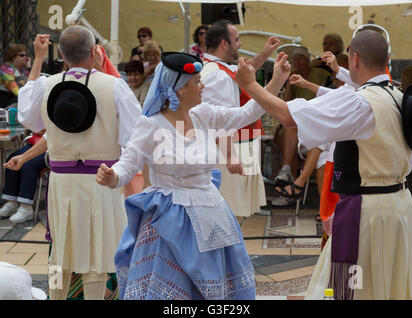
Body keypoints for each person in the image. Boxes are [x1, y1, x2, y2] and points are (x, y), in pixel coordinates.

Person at [96, 50, 291, 300]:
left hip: (212, 213)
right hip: (169, 220)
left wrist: (276, 81)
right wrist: (113, 177)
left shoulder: (204, 115)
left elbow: (247, 114)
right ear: (179, 89)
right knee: (174, 291)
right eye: (197, 81)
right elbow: (128, 163)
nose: (203, 85)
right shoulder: (152, 124)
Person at [236, 30, 412, 300]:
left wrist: (250, 85)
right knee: (389, 283)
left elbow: (288, 116)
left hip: (368, 212)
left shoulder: (361, 102)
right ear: (387, 59)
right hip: (399, 206)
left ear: (353, 59)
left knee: (349, 288)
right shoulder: (398, 97)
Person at [17, 26, 141, 300]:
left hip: (62, 183)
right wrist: (122, 173)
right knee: (101, 249)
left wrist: (38, 60)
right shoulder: (114, 85)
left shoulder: (47, 85)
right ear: (96, 51)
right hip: (104, 179)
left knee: (61, 249)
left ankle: (58, 296)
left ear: (60, 53)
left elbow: (26, 116)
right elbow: (137, 138)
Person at [200, 19, 280, 219]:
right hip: (224, 153)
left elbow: (245, 71)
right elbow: (222, 122)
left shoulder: (214, 67)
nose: (240, 44)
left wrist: (265, 54)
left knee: (229, 214)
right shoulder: (217, 76)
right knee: (228, 214)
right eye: (236, 40)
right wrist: (231, 156)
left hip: (226, 149)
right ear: (224, 43)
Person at [272, 46, 330, 207]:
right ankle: (287, 171)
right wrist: (289, 81)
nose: (297, 63)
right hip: (302, 125)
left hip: (318, 125)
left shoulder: (321, 75)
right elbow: (286, 103)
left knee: (317, 146)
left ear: (308, 61)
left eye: (301, 60)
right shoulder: (294, 77)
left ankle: (295, 185)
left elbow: (327, 96)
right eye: (295, 60)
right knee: (290, 129)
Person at [0, 130, 46, 223]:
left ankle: (26, 208)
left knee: (28, 164)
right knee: (12, 159)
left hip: (54, 147)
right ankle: (12, 202)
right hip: (37, 142)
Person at [0, 44, 30, 108]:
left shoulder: (24, 70)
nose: (25, 58)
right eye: (22, 55)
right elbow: (12, 87)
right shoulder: (6, 68)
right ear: (13, 57)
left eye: (26, 55)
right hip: (5, 100)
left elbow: (32, 82)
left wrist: (29, 67)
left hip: (18, 99)